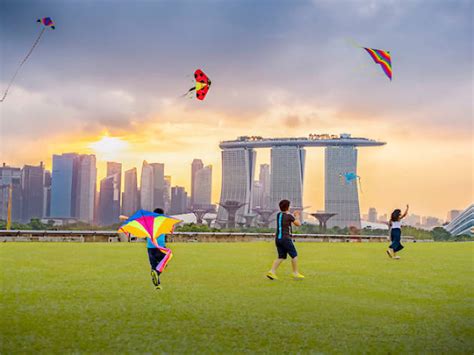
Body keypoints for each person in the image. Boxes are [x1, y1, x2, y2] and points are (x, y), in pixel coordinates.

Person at [119, 208, 173, 290]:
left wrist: (125, 218)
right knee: (163, 263)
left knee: (154, 267)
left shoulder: (148, 222)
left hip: (150, 248)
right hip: (160, 247)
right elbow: (171, 229)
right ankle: (157, 274)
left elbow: (135, 220)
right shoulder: (163, 222)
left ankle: (157, 285)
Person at [266, 199, 305, 280]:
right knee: (294, 255)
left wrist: (292, 215)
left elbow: (286, 217)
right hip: (286, 238)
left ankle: (272, 272)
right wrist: (297, 216)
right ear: (288, 207)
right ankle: (295, 272)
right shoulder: (289, 216)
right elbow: (298, 224)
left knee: (281, 256)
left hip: (278, 239)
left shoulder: (278, 215)